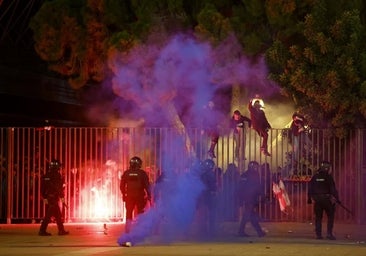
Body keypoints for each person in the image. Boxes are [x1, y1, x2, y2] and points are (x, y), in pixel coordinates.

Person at [307, 161, 340, 240]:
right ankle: (329, 234)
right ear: (327, 168)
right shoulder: (328, 177)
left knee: (318, 217)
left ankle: (318, 235)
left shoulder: (315, 176)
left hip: (317, 200)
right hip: (326, 200)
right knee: (330, 216)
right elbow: (333, 189)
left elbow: (310, 188)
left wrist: (309, 199)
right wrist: (337, 199)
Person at [120, 156, 151, 233]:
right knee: (140, 212)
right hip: (139, 195)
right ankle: (140, 230)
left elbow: (122, 186)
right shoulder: (142, 173)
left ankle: (128, 230)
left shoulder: (126, 173)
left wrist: (124, 195)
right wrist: (149, 195)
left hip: (129, 196)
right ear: (139, 164)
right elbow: (147, 185)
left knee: (129, 213)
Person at [39, 159, 69, 236]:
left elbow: (42, 188)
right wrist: (62, 197)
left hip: (49, 197)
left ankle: (61, 230)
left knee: (58, 215)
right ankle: (42, 230)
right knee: (48, 216)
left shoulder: (46, 175)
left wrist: (45, 197)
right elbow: (59, 188)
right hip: (53, 198)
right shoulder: (57, 176)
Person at [237, 161, 266, 237]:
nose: (256, 168)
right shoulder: (247, 175)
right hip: (248, 198)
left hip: (251, 198)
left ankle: (259, 232)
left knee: (250, 215)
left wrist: (262, 195)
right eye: (255, 167)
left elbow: (257, 187)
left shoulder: (250, 175)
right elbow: (241, 188)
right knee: (248, 215)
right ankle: (242, 231)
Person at [197, 159, 218, 236]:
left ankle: (203, 230)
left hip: (203, 195)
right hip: (208, 195)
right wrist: (214, 191)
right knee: (210, 214)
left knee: (203, 214)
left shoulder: (201, 173)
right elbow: (212, 185)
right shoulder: (209, 174)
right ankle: (210, 231)